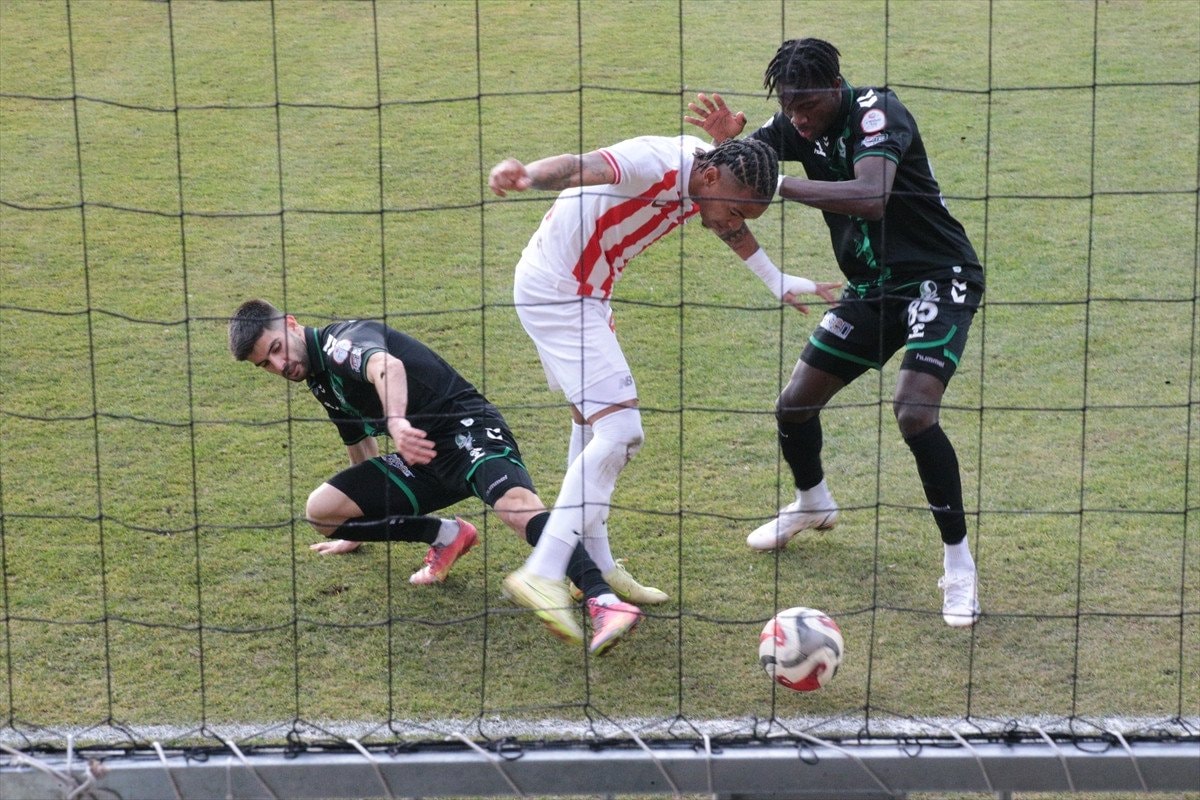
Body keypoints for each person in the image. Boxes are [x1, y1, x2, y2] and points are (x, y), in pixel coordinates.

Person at [488, 136, 840, 643]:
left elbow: (730, 225)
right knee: (621, 432)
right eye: (736, 210)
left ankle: (599, 566)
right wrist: (527, 173)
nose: (734, 222)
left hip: (586, 293)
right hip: (558, 294)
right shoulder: (651, 164)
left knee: (589, 424)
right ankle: (542, 571)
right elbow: (580, 166)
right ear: (712, 178)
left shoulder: (712, 173)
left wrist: (775, 278)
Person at [685, 38, 985, 627]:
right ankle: (812, 502)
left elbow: (871, 197)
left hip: (938, 275)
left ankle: (959, 565)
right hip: (871, 287)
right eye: (788, 108)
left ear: (834, 87)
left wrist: (777, 185)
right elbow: (744, 168)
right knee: (794, 405)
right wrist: (726, 146)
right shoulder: (794, 121)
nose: (797, 120)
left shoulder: (878, 112)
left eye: (807, 107)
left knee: (914, 412)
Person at [228, 298, 665, 654]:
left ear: (290, 323)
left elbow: (387, 367)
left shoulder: (339, 344)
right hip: (420, 456)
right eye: (265, 364)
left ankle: (603, 600)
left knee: (516, 509)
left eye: (277, 348)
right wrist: (357, 526)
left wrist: (396, 421)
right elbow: (358, 443)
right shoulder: (319, 379)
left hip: (466, 431)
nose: (280, 365)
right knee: (321, 512)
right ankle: (447, 536)